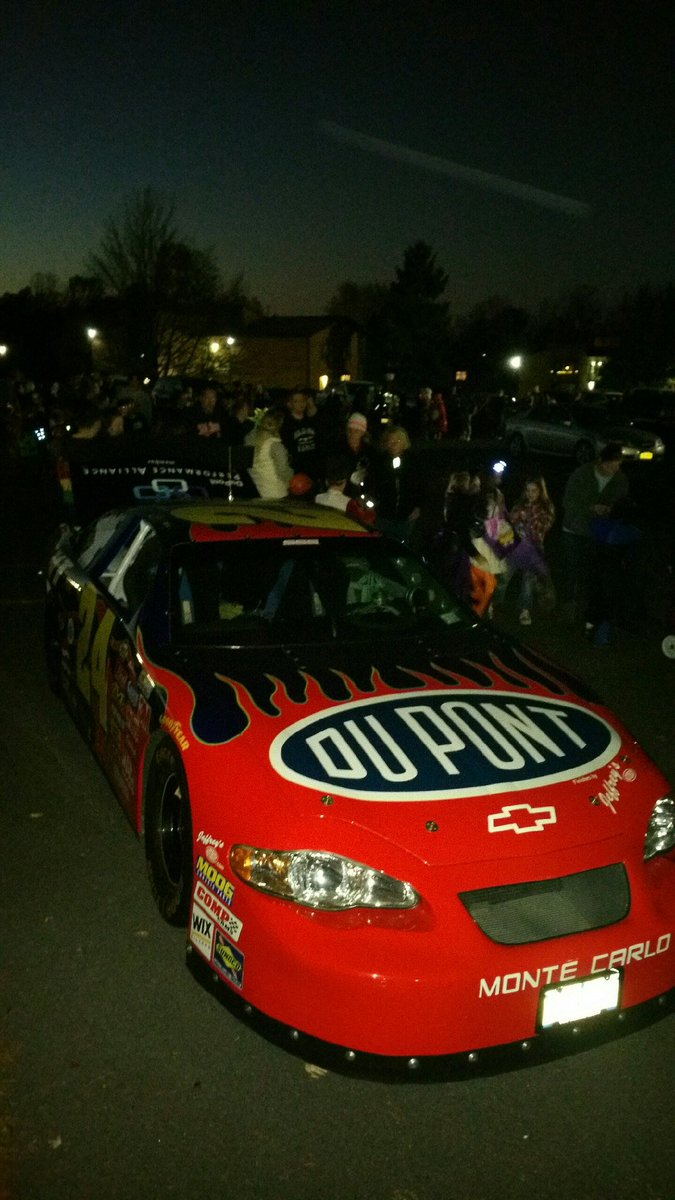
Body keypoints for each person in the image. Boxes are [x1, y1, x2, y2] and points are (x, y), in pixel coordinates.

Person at [561, 442, 630, 627]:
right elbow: (569, 502)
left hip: (598, 533)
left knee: (590, 571)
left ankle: (586, 609)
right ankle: (569, 604)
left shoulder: (620, 481)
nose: (612, 470)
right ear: (600, 461)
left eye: (617, 466)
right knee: (572, 568)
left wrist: (609, 511)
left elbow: (623, 508)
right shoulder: (582, 474)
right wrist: (591, 508)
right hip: (574, 529)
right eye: (609, 466)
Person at [509, 476, 556, 625]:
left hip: (533, 549)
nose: (530, 494)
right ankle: (493, 601)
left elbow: (543, 527)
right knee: (504, 575)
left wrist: (526, 518)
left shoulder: (546, 508)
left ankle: (525, 610)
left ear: (540, 491)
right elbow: (511, 521)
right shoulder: (519, 505)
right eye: (528, 490)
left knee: (528, 581)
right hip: (515, 547)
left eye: (534, 491)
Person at [365, 425, 423, 543]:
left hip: (406, 515)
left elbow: (420, 486)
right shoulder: (379, 463)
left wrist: (418, 506)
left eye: (397, 441)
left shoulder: (413, 462)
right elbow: (372, 484)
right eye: (390, 441)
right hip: (384, 514)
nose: (393, 444)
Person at [246, 408, 294, 499]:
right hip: (276, 492)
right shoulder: (275, 445)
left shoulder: (249, 441)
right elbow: (283, 471)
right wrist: (292, 477)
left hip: (256, 491)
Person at [314, 456, 376, 526]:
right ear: (344, 483)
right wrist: (371, 510)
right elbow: (365, 522)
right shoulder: (350, 503)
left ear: (327, 482)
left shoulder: (317, 498)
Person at [280, 388, 321, 484]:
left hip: (313, 469)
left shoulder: (310, 420)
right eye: (296, 401)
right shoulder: (286, 424)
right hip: (297, 471)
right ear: (290, 404)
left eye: (303, 400)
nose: (301, 404)